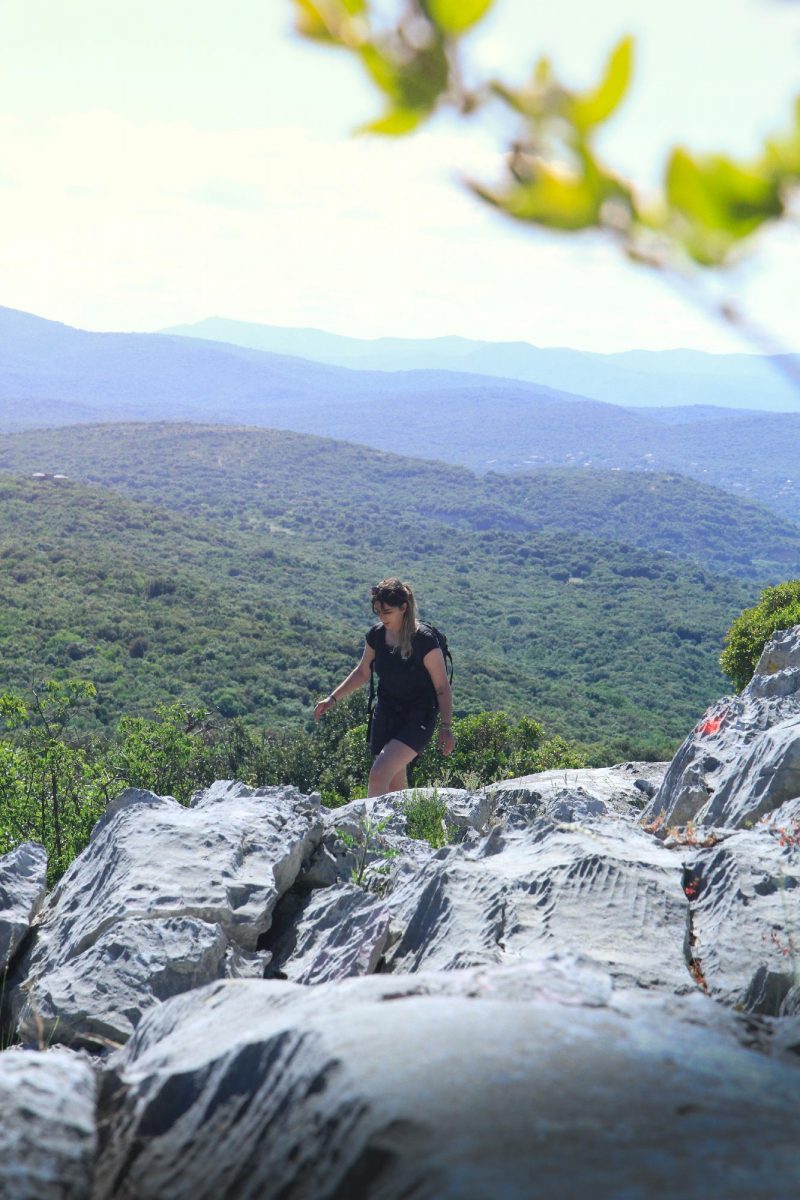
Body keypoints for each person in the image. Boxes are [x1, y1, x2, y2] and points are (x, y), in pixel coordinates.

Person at [314, 578, 455, 797]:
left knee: (378, 774)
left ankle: (371, 830)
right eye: (378, 611)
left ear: (404, 608)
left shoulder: (424, 641)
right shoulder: (377, 636)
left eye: (387, 611)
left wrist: (446, 727)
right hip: (386, 715)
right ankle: (402, 828)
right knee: (394, 790)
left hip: (417, 718)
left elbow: (442, 687)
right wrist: (332, 699)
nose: (382, 617)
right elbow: (363, 671)